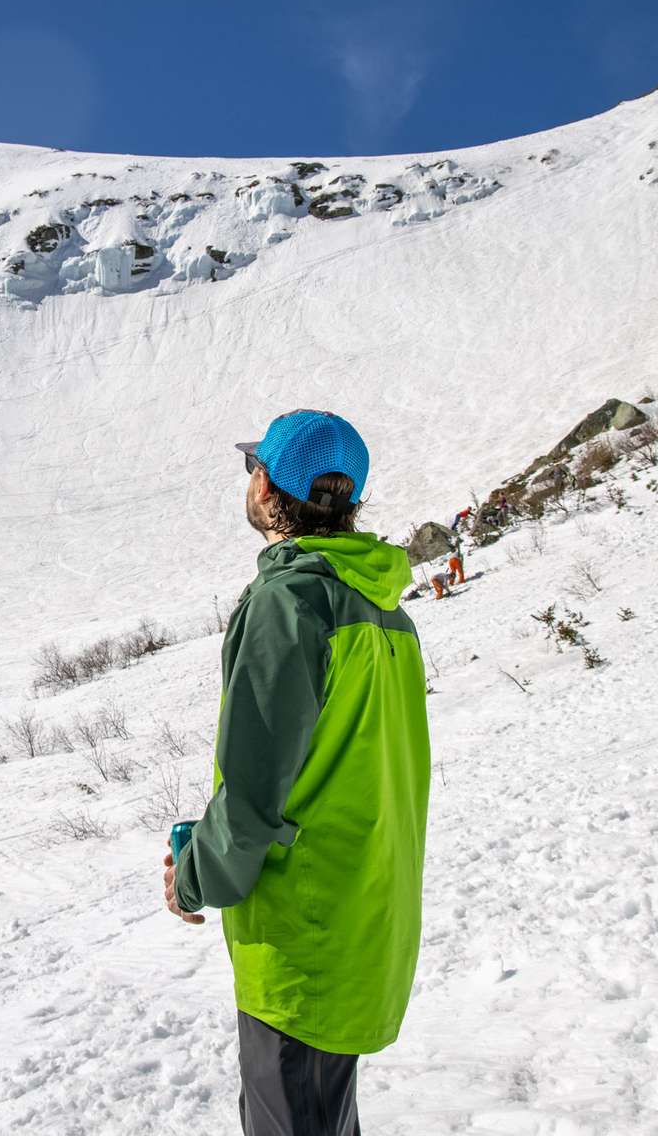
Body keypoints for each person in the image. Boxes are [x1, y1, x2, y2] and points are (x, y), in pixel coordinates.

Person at [162, 410, 432, 1135]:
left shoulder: (289, 600)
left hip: (302, 940)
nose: (249, 478)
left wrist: (195, 872)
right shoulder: (385, 610)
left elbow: (255, 794)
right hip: (363, 918)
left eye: (255, 466)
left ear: (273, 489)